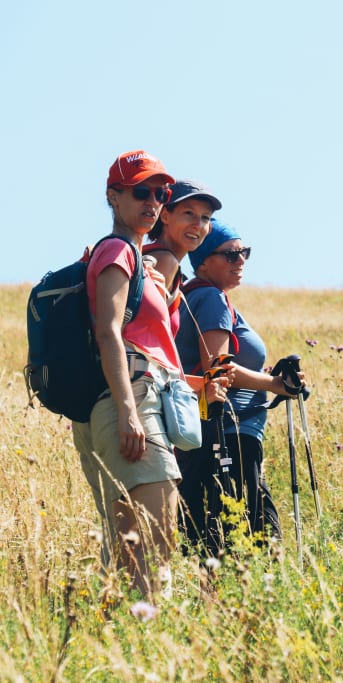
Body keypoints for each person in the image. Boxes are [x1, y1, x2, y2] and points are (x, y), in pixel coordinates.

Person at [73, 150, 227, 600]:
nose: (152, 202)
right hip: (130, 400)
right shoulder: (118, 251)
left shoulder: (142, 262)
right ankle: (148, 640)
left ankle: (107, 642)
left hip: (141, 393)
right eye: (140, 192)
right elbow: (108, 333)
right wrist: (128, 411)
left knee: (127, 547)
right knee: (157, 539)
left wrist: (197, 386)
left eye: (159, 194)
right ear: (113, 197)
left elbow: (152, 352)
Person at [175, 220, 304, 553]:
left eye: (244, 252)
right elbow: (218, 369)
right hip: (229, 433)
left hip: (208, 433)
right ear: (203, 261)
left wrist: (269, 378)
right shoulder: (212, 298)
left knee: (213, 538)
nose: (241, 260)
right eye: (230, 254)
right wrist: (276, 384)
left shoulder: (197, 298)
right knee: (258, 541)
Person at [144, 179, 223, 335]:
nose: (197, 224)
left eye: (205, 217)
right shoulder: (164, 261)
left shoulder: (154, 255)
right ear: (164, 216)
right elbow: (146, 329)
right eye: (189, 213)